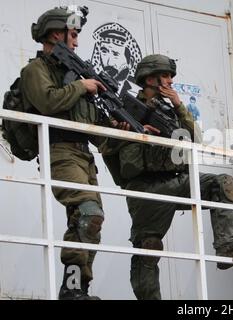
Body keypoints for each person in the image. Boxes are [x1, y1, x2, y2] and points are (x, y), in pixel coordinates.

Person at [101, 54, 233, 300]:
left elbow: (195, 139)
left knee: (222, 182)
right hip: (146, 188)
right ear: (150, 78)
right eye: (165, 76)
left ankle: (227, 245)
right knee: (148, 248)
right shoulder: (126, 107)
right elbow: (106, 146)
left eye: (171, 77)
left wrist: (178, 105)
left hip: (176, 179)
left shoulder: (170, 108)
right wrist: (127, 132)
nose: (170, 81)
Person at [21, 5, 108, 299]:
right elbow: (47, 101)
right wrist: (82, 86)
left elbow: (90, 122)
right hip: (59, 150)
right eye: (72, 34)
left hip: (83, 154)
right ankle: (71, 290)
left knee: (91, 221)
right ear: (56, 34)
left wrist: (125, 126)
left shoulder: (73, 74)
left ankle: (76, 288)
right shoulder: (36, 70)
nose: (76, 42)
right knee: (87, 211)